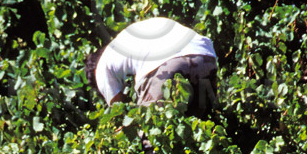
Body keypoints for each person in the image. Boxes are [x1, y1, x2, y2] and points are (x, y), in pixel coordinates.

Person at [85, 16, 218, 112]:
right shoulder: (121, 42)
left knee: (150, 136)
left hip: (168, 64)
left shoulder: (100, 69)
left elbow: (119, 109)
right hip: (204, 55)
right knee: (202, 122)